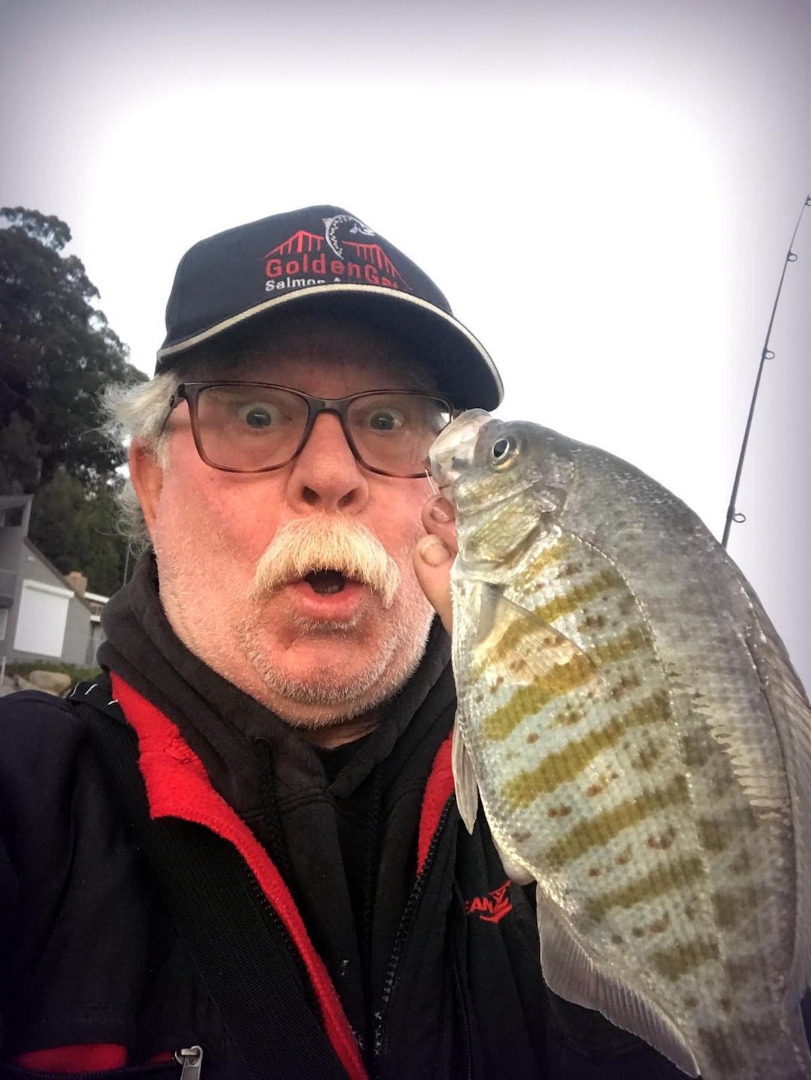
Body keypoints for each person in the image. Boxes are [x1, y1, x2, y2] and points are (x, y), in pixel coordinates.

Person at [0, 206, 689, 1078]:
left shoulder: (629, 784)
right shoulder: (26, 806)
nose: (330, 475)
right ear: (150, 480)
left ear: (446, 497)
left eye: (391, 421)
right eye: (254, 415)